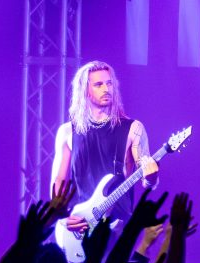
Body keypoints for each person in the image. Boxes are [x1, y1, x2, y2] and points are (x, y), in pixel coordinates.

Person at [51, 60, 159, 232]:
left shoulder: (133, 129)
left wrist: (152, 178)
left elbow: (147, 182)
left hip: (117, 226)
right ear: (85, 90)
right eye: (98, 84)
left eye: (109, 83)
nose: (106, 89)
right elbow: (59, 182)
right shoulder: (67, 131)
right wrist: (63, 217)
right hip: (79, 224)